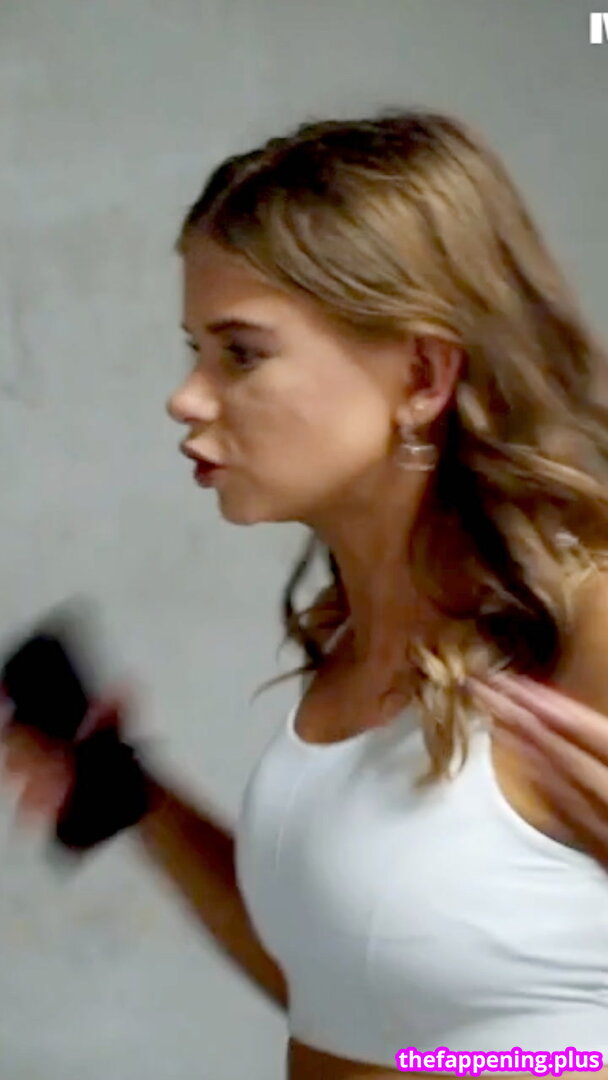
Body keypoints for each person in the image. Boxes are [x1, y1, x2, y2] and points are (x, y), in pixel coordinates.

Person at [3, 109, 608, 1080]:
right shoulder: (357, 635)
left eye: (240, 353)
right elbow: (352, 999)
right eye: (194, 349)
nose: (186, 396)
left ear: (421, 374)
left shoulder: (582, 628)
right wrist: (129, 793)